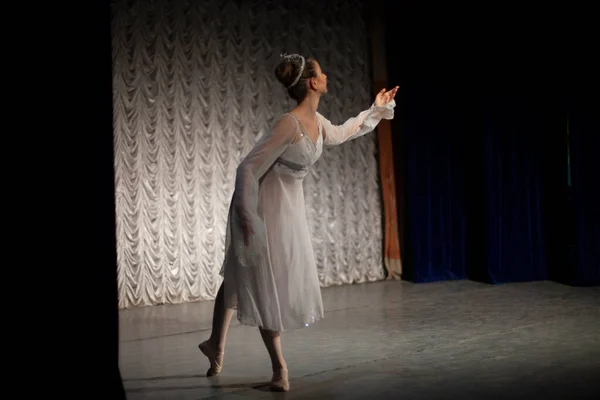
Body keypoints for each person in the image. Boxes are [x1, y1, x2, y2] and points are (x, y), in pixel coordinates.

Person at [198, 53, 398, 392]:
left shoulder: (317, 122)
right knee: (263, 281)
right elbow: (247, 168)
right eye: (321, 72)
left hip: (288, 209)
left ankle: (215, 345)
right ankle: (280, 371)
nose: (327, 75)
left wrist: (376, 109)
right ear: (313, 83)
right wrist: (248, 218)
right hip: (263, 208)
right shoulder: (287, 124)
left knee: (237, 274)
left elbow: (344, 132)